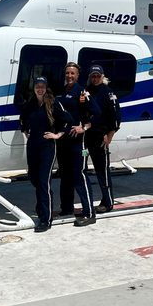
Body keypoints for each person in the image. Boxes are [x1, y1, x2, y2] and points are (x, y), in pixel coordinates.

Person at [20, 76, 72, 232]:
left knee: (43, 182)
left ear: (46, 87)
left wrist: (57, 135)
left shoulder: (53, 103)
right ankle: (44, 200)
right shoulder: (30, 104)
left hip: (47, 146)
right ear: (34, 88)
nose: (40, 88)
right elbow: (22, 119)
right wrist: (25, 132)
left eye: (42, 86)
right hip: (33, 145)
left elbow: (68, 120)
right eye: (37, 86)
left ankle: (45, 219)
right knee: (34, 177)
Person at [55, 62, 102, 226]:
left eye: (72, 73)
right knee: (65, 177)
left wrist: (84, 127)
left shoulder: (82, 92)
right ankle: (67, 209)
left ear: (78, 75)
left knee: (80, 176)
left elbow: (97, 113)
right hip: (63, 141)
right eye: (67, 73)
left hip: (78, 143)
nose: (69, 76)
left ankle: (89, 213)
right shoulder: (60, 92)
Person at [84, 64, 122, 213]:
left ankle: (108, 202)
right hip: (87, 137)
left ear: (102, 77)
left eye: (97, 76)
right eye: (93, 76)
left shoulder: (108, 93)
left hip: (101, 138)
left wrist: (110, 137)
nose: (95, 78)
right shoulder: (86, 91)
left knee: (102, 171)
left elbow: (116, 118)